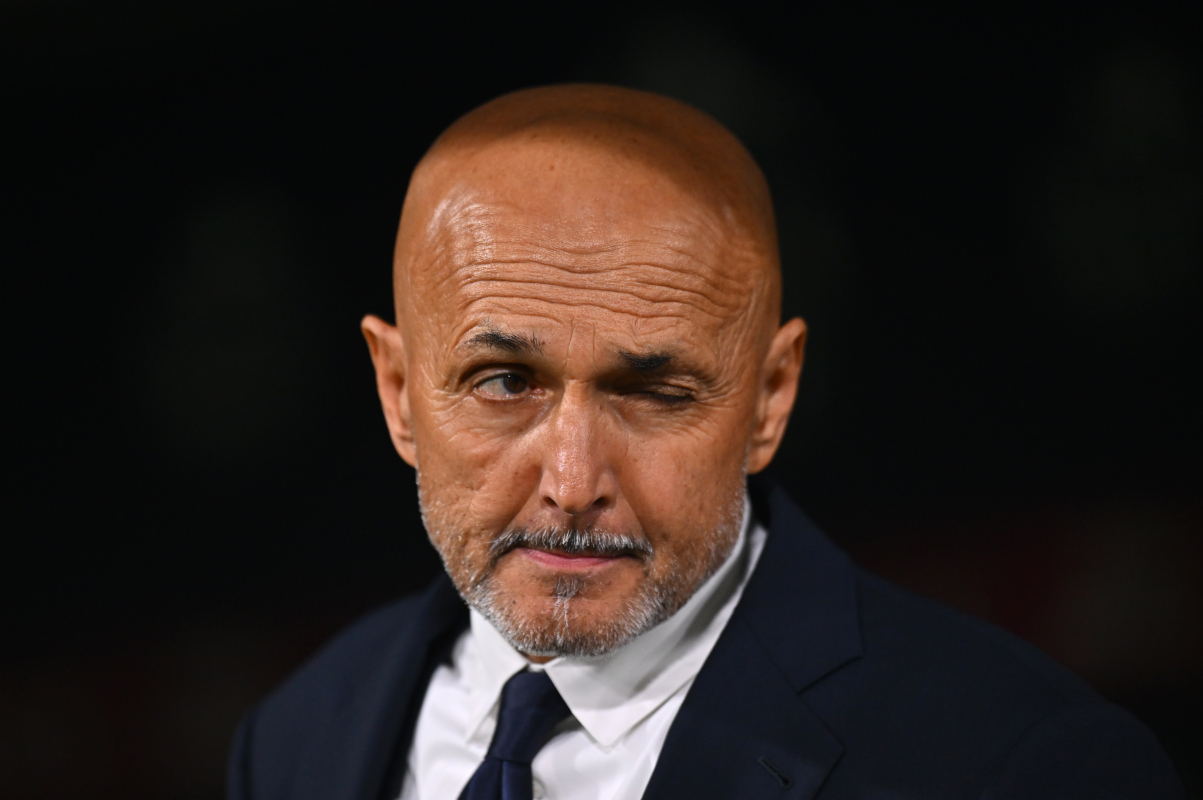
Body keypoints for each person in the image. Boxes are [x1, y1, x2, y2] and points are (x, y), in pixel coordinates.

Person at [227, 85, 1184, 800]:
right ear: (397, 391)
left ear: (770, 398)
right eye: (506, 384)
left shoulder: (1021, 768)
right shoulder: (297, 742)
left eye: (651, 393)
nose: (570, 481)